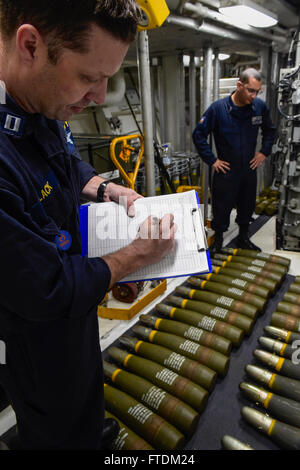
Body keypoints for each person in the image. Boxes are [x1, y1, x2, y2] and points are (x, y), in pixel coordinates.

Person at [0, 0, 176, 450]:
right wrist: (137, 254)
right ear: (30, 45)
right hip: (35, 337)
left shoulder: (39, 102)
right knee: (58, 423)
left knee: (84, 390)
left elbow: (65, 162)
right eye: (89, 78)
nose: (99, 97)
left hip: (75, 311)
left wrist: (104, 189)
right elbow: (48, 289)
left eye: (106, 79)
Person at [193, 68, 276, 255]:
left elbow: (270, 131)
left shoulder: (259, 108)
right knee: (221, 207)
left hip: (248, 167)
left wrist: (263, 152)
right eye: (250, 91)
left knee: (247, 205)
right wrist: (212, 160)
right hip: (226, 169)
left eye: (257, 91)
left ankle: (243, 238)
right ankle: (218, 241)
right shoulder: (218, 109)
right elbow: (198, 135)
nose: (254, 96)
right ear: (239, 85)